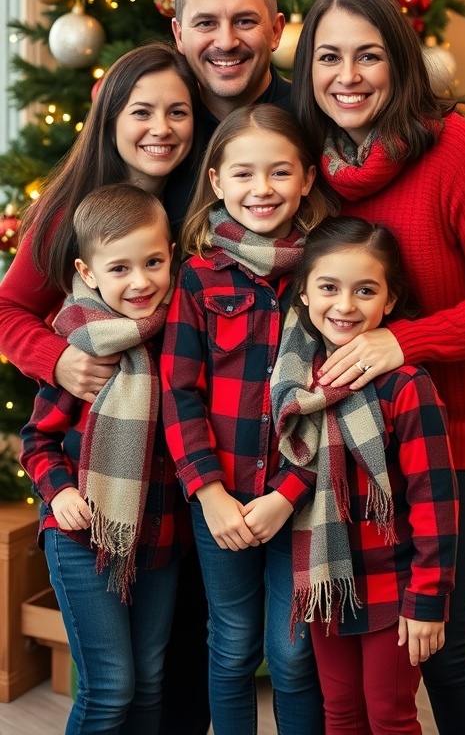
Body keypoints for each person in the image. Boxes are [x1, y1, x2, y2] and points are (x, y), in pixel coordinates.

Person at [283, 0, 465, 735]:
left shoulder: (458, 150)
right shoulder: (318, 169)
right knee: (369, 646)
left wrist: (401, 340)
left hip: (459, 436)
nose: (348, 76)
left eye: (369, 56)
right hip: (365, 448)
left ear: (401, 63)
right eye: (329, 57)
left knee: (440, 645)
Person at [0, 43, 211, 735]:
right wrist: (58, 360)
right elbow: (8, 311)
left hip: (167, 518)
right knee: (113, 687)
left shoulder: (202, 201)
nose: (161, 127)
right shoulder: (68, 214)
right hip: (92, 511)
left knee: (152, 678)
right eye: (141, 110)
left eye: (178, 111)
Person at [161, 104, 329, 735]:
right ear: (217, 182)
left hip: (300, 499)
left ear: (307, 179)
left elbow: (331, 398)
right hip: (220, 502)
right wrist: (208, 494)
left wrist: (289, 493)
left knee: (292, 652)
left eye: (280, 172)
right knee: (231, 646)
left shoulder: (323, 276)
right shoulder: (199, 278)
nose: (262, 189)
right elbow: (179, 391)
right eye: (245, 174)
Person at [271, 216, 459, 735]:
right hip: (329, 581)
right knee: (341, 714)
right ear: (304, 295)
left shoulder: (404, 385)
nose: (346, 305)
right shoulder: (298, 384)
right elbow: (299, 469)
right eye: (328, 287)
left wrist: (427, 598)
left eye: (365, 290)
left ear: (390, 300)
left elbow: (434, 499)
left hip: (394, 587)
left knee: (390, 716)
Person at [20, 184, 185, 735]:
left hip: (159, 536)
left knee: (150, 678)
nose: (141, 282)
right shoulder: (82, 348)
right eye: (120, 269)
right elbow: (38, 440)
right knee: (110, 685)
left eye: (154, 263)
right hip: (84, 532)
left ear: (172, 255)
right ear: (88, 273)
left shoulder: (182, 337)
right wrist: (61, 492)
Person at [166, 0, 292, 226]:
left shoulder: (315, 119)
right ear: (180, 35)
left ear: (275, 31)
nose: (226, 42)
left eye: (244, 21)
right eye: (206, 23)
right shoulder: (161, 137)